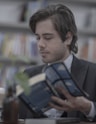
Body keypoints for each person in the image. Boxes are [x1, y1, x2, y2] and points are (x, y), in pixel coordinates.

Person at [19, 4, 96, 121]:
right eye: (38, 38)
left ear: (68, 38)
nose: (40, 44)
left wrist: (88, 107)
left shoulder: (93, 73)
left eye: (48, 37)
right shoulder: (28, 75)